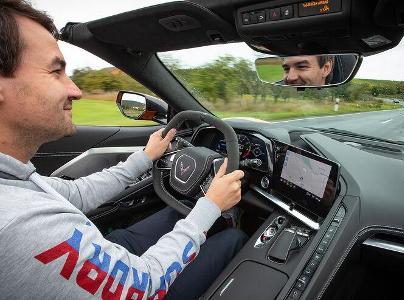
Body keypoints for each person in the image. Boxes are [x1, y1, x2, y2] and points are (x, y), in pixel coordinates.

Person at [0, 1, 246, 299]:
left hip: (103, 253)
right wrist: (210, 206)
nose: (76, 90)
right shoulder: (23, 225)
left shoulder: (14, 179)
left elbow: (77, 194)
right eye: (56, 72)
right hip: (141, 285)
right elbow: (144, 288)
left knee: (175, 215)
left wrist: (145, 157)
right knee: (232, 238)